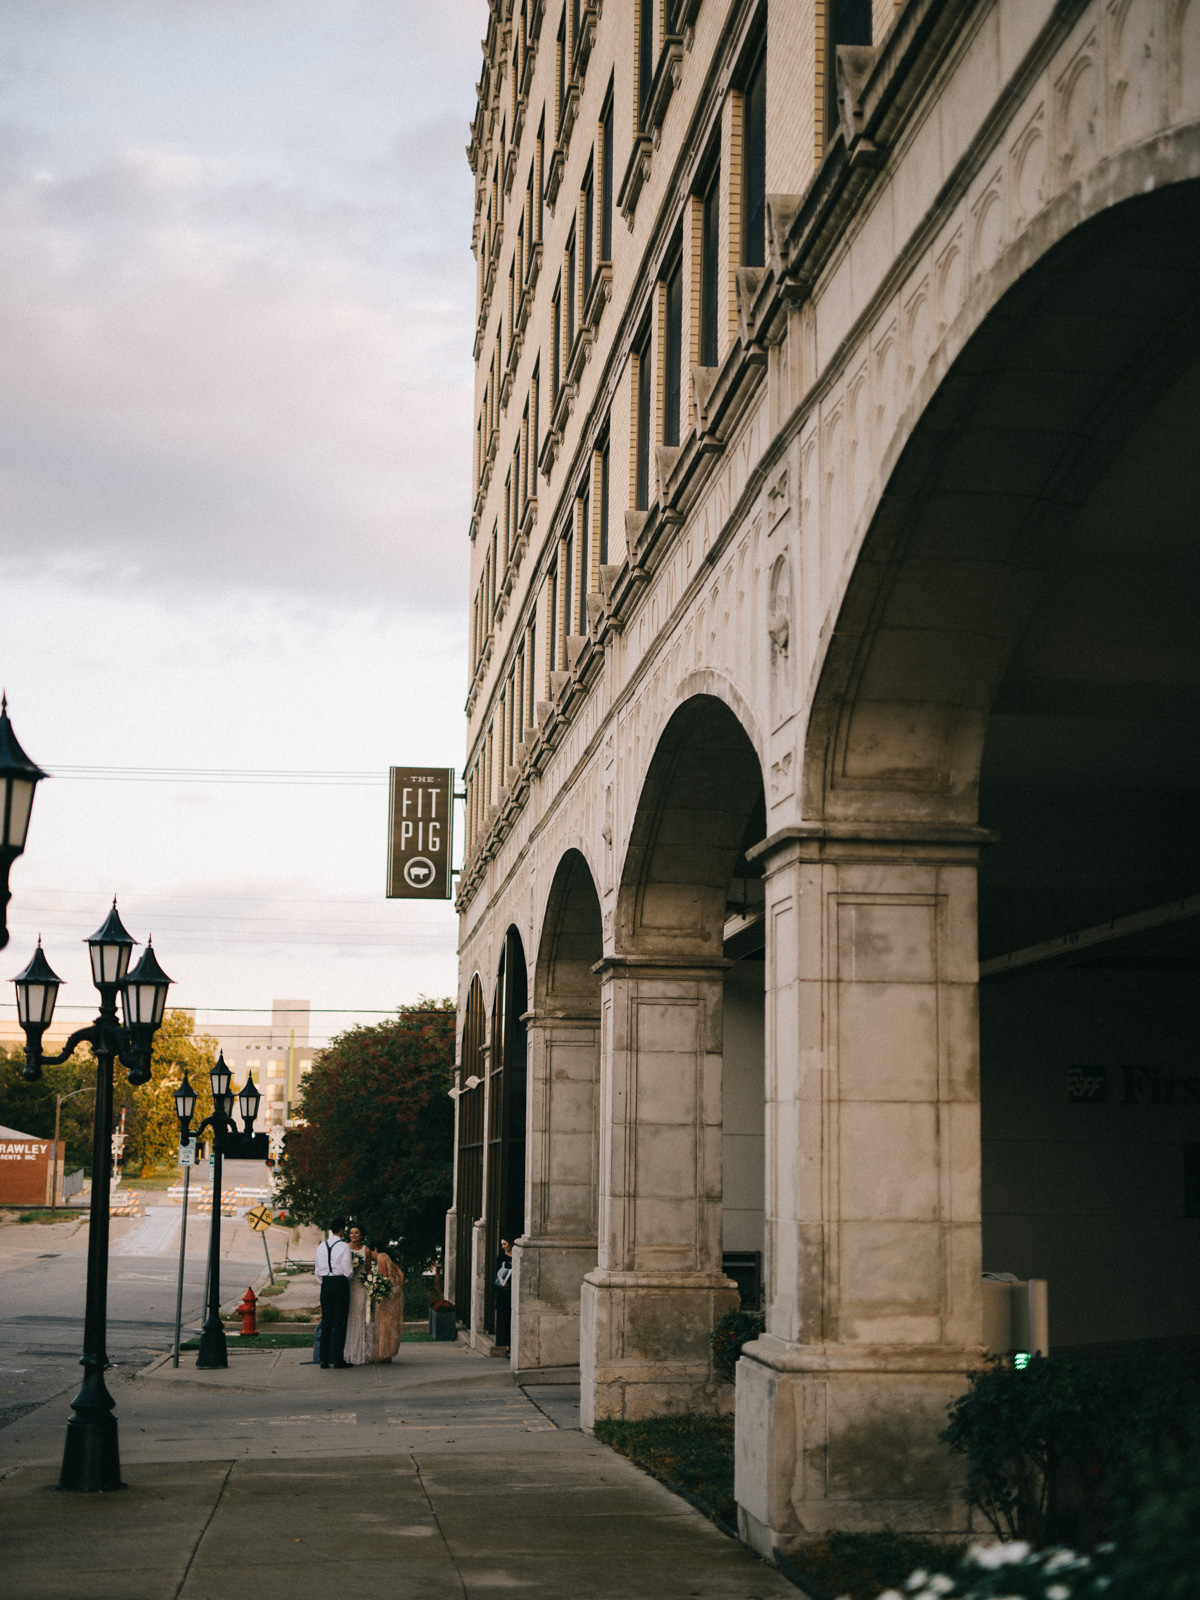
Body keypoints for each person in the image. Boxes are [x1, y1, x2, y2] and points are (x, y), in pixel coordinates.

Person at [314, 1220, 354, 1369]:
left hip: (326, 1284)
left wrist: (325, 1281)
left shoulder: (321, 1246)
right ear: (342, 1230)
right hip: (340, 1282)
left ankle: (324, 1359)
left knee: (327, 1321)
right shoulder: (344, 1246)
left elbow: (317, 1270)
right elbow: (348, 1270)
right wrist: (346, 1278)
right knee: (340, 1322)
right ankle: (338, 1359)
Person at [366, 1240, 405, 1363]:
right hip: (396, 1292)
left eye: (370, 1252)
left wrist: (377, 1288)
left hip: (386, 1293)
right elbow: (401, 1275)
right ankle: (388, 1353)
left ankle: (382, 1354)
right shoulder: (390, 1258)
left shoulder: (381, 1256)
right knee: (391, 1323)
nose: (370, 1256)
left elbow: (382, 1276)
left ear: (375, 1249)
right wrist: (397, 1288)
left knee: (383, 1322)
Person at [343, 1223, 370, 1366]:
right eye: (352, 1233)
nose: (354, 1235)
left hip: (360, 1287)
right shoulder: (345, 1248)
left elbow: (368, 1271)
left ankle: (359, 1352)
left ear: (361, 1235)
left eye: (356, 1233)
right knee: (347, 1316)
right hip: (348, 1285)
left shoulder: (366, 1251)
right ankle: (346, 1353)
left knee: (359, 1316)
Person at [493, 1238, 513, 1349]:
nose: (503, 1246)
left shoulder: (517, 1255)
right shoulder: (501, 1257)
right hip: (504, 1291)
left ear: (511, 1244)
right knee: (505, 1320)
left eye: (505, 1244)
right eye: (502, 1244)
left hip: (512, 1291)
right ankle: (507, 1347)